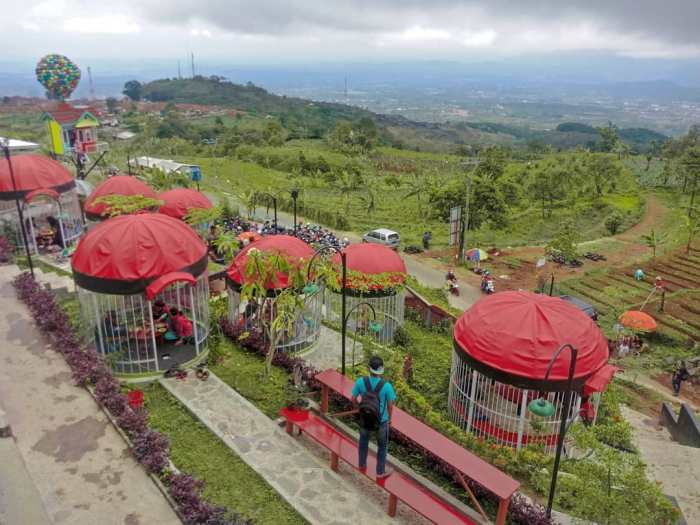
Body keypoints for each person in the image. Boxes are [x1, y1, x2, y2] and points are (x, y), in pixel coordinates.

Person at [352, 356, 396, 479]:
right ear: (381, 370)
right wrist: (390, 419)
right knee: (382, 447)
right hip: (381, 421)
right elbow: (390, 405)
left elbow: (353, 398)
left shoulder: (361, 381)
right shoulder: (387, 386)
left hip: (365, 418)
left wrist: (359, 408)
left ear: (369, 368)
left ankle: (361, 464)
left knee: (363, 441)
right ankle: (380, 472)